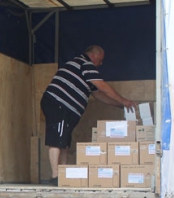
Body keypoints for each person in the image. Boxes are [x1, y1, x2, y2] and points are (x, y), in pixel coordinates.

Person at [40, 45, 137, 185]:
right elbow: (102, 86)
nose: (101, 64)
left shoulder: (83, 70)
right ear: (94, 56)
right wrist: (124, 100)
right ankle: (55, 176)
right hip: (59, 103)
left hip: (65, 107)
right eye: (100, 60)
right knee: (56, 139)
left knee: (64, 141)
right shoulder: (85, 64)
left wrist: (121, 105)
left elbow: (99, 95)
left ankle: (62, 174)